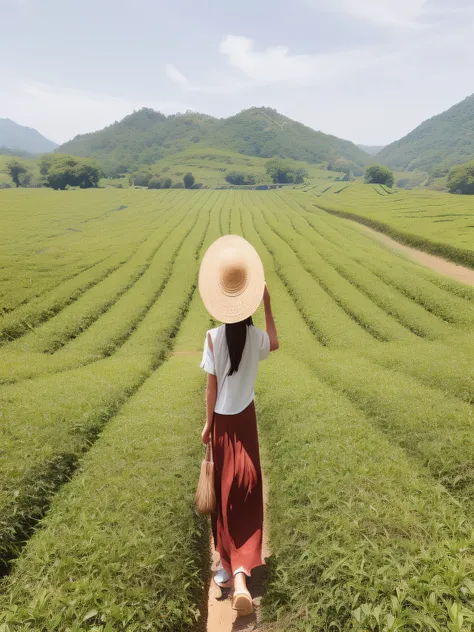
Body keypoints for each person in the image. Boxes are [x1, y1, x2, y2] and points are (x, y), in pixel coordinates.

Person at [198, 234, 279, 617]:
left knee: (224, 496)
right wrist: (267, 304)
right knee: (247, 491)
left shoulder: (213, 338)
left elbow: (212, 390)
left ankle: (227, 570)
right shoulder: (256, 337)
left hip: (223, 427)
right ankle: (243, 571)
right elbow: (274, 343)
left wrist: (207, 426)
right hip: (246, 424)